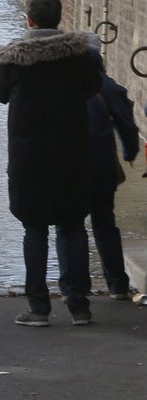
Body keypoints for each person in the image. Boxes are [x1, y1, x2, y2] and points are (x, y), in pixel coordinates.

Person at [0, 0, 100, 327]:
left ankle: (38, 307)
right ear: (59, 19)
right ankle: (79, 306)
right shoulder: (77, 56)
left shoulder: (14, 59)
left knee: (33, 230)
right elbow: (93, 86)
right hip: (71, 153)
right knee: (73, 226)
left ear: (29, 20)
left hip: (29, 157)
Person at [72, 35, 137, 300]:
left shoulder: (63, 85)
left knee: (72, 227)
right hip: (102, 165)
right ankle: (117, 285)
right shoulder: (108, 87)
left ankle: (75, 289)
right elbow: (126, 124)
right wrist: (129, 151)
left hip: (69, 165)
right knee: (104, 224)